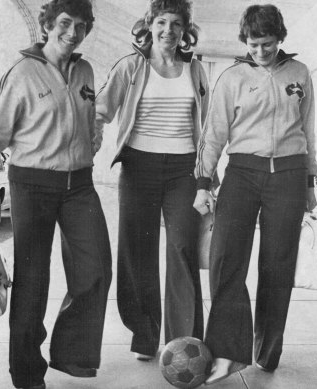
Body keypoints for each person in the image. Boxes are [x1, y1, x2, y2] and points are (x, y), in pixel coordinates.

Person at [0, 1, 112, 387]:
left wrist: (90, 144)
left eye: (82, 26)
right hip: (32, 182)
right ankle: (27, 373)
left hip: (79, 184)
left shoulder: (85, 69)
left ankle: (70, 355)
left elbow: (90, 118)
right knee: (33, 279)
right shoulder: (21, 73)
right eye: (65, 23)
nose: (73, 32)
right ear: (48, 25)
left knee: (96, 269)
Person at [193, 4, 317, 384]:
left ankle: (267, 351)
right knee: (226, 260)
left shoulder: (299, 73)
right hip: (243, 173)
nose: (260, 51)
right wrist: (203, 183)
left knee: (277, 266)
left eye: (266, 43)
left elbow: (309, 129)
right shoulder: (232, 77)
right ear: (244, 41)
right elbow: (213, 134)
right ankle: (229, 353)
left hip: (290, 175)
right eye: (253, 44)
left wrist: (310, 182)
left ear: (280, 39)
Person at [94, 0, 209, 362]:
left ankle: (185, 344)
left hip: (183, 170)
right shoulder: (131, 67)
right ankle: (144, 335)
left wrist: (207, 176)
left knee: (182, 249)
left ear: (185, 30)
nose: (168, 31)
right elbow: (99, 111)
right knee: (137, 252)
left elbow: (208, 126)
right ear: (150, 24)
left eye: (177, 24)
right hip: (138, 166)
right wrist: (87, 145)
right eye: (162, 22)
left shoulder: (196, 71)